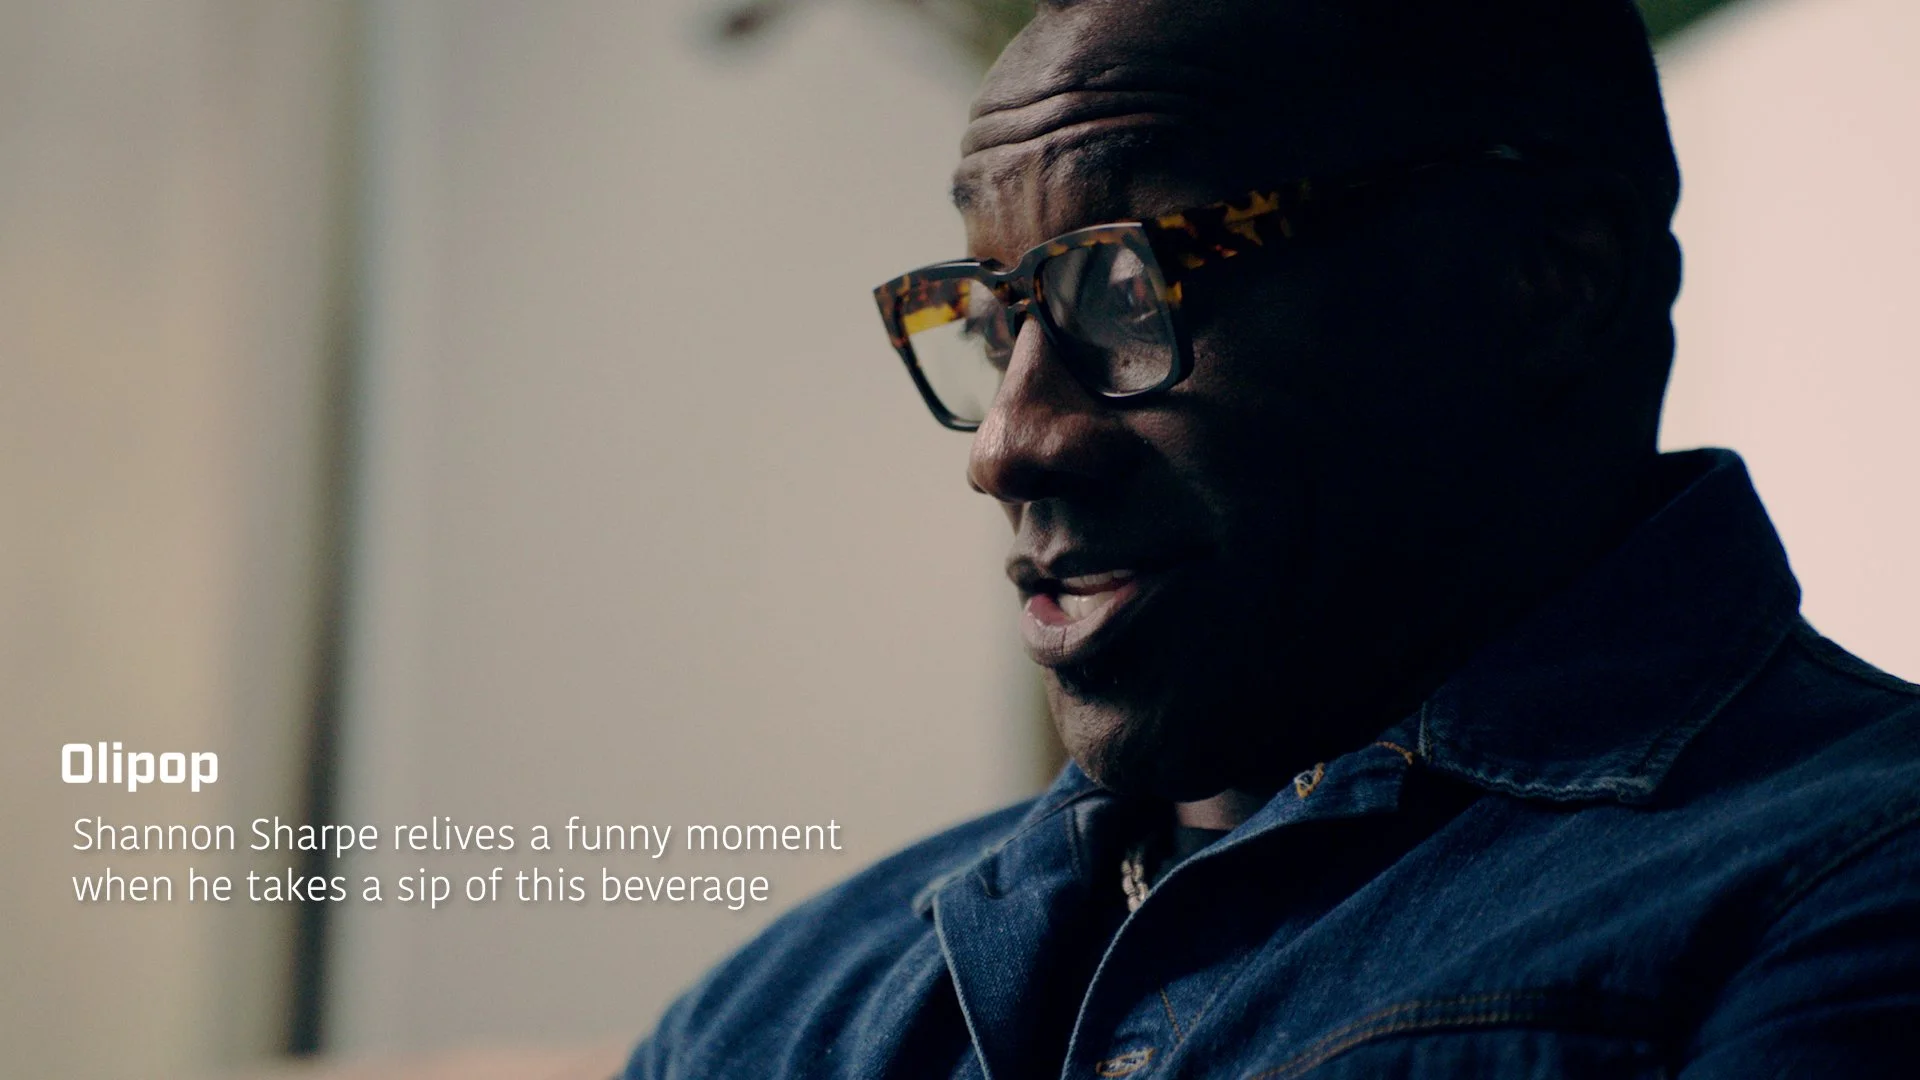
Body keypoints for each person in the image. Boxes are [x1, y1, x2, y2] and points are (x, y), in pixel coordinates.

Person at [628, 1, 1920, 1075]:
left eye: (1126, 287)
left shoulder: (1848, 886)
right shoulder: (771, 1009)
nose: (1007, 444)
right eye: (993, 321)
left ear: (1555, 278)